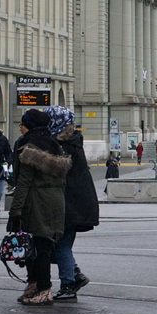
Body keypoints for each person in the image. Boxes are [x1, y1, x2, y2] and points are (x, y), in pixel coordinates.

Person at [8, 108, 71, 306]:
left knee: (36, 248)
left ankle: (43, 289)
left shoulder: (29, 148)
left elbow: (23, 182)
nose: (20, 129)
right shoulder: (55, 144)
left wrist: (15, 210)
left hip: (36, 200)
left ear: (30, 127)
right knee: (43, 245)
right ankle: (35, 286)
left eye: (23, 125)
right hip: (56, 200)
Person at [47, 107, 97, 301]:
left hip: (70, 203)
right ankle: (75, 274)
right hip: (79, 202)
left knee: (61, 244)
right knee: (63, 242)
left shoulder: (63, 146)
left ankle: (69, 282)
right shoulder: (74, 142)